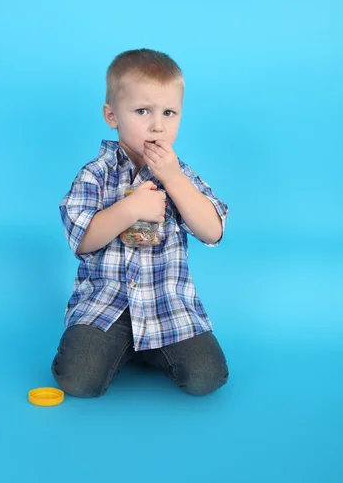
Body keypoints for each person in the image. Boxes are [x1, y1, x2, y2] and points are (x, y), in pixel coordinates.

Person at [51, 49, 230, 397]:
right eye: (142, 111)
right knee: (78, 380)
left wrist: (174, 180)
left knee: (207, 378)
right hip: (106, 306)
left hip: (167, 307)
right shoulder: (95, 175)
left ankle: (149, 348)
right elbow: (82, 239)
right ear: (112, 115)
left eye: (169, 112)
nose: (157, 125)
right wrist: (130, 209)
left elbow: (213, 231)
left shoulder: (180, 175)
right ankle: (120, 347)